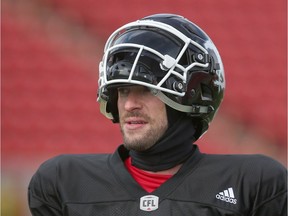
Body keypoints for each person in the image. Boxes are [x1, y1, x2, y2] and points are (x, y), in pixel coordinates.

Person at [28, 14, 287, 215]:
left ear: (189, 96)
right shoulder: (64, 183)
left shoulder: (254, 185)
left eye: (145, 89)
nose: (129, 104)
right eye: (122, 90)